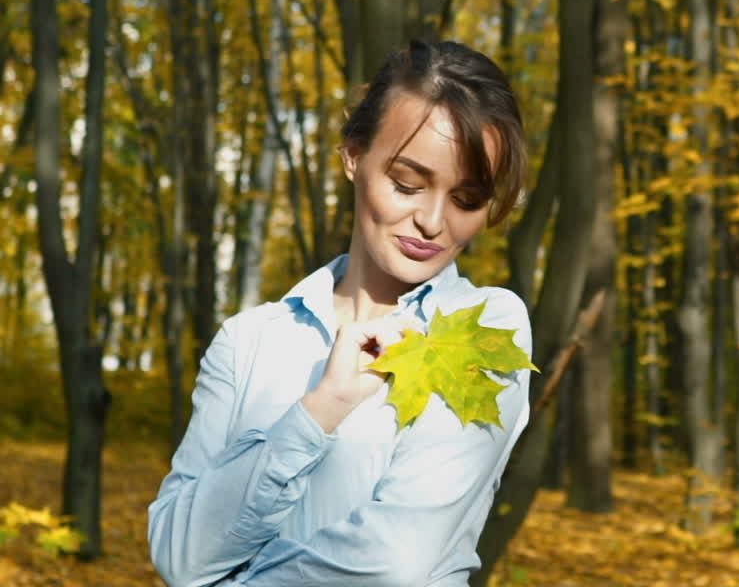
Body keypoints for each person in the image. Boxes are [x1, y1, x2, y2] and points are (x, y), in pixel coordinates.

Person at [148, 40, 532, 587]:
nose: (431, 220)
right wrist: (319, 411)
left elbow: (393, 564)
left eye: (467, 200)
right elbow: (179, 555)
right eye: (407, 184)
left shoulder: (486, 327)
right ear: (353, 156)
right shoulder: (249, 340)